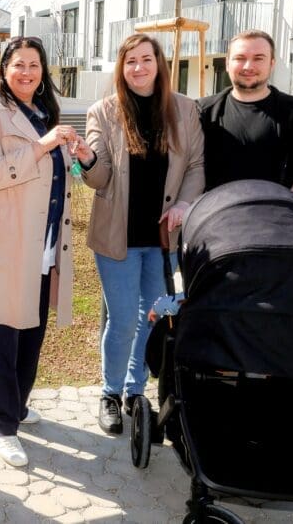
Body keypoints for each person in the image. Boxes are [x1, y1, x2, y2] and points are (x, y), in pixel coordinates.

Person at [0, 36, 89, 468]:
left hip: (41, 243)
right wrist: (43, 145)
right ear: (3, 69)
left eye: (34, 65)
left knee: (30, 331)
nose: (27, 72)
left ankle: (17, 407)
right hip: (1, 242)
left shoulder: (45, 111)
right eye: (18, 64)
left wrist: (76, 155)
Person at [81, 33, 204, 435]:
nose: (138, 67)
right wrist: (87, 159)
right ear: (121, 67)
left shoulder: (185, 110)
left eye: (145, 59)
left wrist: (184, 205)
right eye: (130, 61)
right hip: (118, 239)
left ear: (159, 63)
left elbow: (196, 166)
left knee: (151, 317)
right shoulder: (103, 112)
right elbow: (99, 177)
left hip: (164, 239)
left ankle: (136, 392)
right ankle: (110, 394)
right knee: (122, 321)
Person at [198, 29, 293, 200]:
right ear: (227, 64)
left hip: (275, 220)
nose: (248, 66)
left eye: (258, 58)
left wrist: (287, 203)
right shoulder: (203, 112)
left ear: (272, 64)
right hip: (215, 219)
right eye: (240, 58)